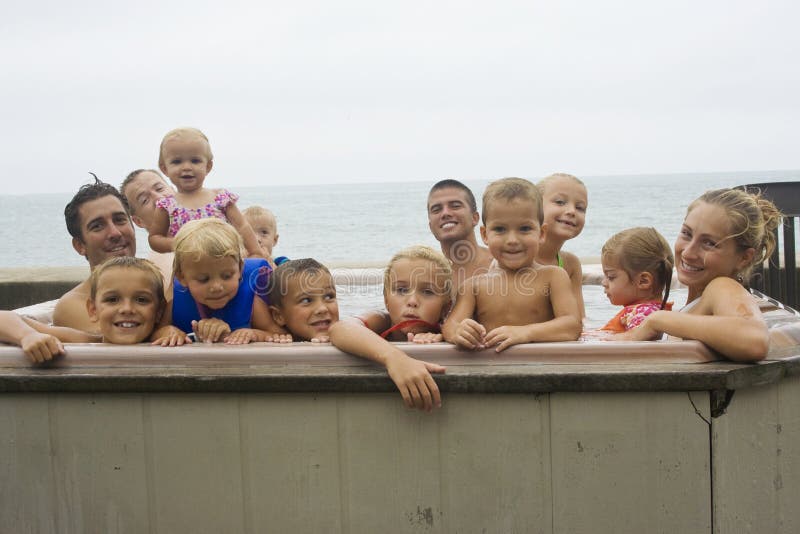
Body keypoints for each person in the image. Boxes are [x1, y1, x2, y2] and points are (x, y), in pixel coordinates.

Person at [621, 188, 782, 361]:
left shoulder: (721, 286)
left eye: (709, 243)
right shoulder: (701, 300)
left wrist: (657, 320)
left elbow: (754, 341)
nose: (688, 253)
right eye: (686, 233)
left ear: (744, 258)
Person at [442, 177, 581, 351]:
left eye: (524, 229)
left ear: (542, 233)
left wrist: (525, 333)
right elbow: (450, 325)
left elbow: (572, 326)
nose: (512, 240)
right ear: (485, 235)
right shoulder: (473, 286)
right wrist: (459, 332)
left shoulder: (553, 276)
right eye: (500, 229)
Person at [329, 245, 451, 411]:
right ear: (386, 300)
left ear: (445, 307)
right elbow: (340, 328)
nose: (412, 300)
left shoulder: (447, 331)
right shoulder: (382, 320)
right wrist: (394, 359)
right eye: (401, 290)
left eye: (427, 292)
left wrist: (442, 336)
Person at [1, 257, 165, 363]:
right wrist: (27, 335)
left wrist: (171, 334)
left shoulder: (165, 338)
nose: (127, 309)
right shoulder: (84, 340)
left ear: (159, 311)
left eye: (141, 300)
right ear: (93, 310)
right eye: (112, 299)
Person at [152, 218, 285, 345]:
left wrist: (253, 334)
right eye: (203, 279)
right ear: (182, 277)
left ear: (240, 268)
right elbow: (155, 332)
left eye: (227, 276)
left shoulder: (254, 298)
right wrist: (168, 332)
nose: (216, 287)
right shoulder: (176, 298)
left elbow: (280, 335)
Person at [147, 127, 266, 259]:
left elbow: (242, 226)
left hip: (227, 264)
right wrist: (178, 243)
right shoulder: (167, 206)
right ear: (165, 169)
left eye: (195, 161)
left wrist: (255, 252)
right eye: (177, 161)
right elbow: (155, 238)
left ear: (208, 166)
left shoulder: (220, 199)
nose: (186, 167)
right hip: (189, 271)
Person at [53, 176, 137, 333]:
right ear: (79, 246)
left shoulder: (161, 284)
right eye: (97, 226)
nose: (115, 233)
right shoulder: (72, 305)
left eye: (120, 220)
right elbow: (121, 337)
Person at [599, 227, 674, 333]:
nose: (603, 283)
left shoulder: (644, 316)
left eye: (611, 277)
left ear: (644, 281)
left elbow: (635, 347)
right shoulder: (650, 313)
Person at [536, 173, 588, 317]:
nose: (572, 211)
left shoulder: (570, 264)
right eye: (560, 202)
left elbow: (579, 319)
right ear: (534, 207)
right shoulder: (513, 257)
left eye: (580, 207)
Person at [427, 179, 493, 288]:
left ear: (475, 218)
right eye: (436, 209)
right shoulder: (425, 276)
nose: (445, 213)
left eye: (455, 206)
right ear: (431, 227)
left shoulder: (502, 264)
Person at [119, 168, 176, 284]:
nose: (158, 199)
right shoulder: (158, 267)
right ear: (138, 221)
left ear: (174, 189)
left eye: (160, 188)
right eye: (145, 200)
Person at [266, 258, 339, 342]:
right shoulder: (277, 340)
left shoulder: (348, 330)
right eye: (306, 300)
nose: (322, 309)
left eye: (328, 297)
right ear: (279, 316)